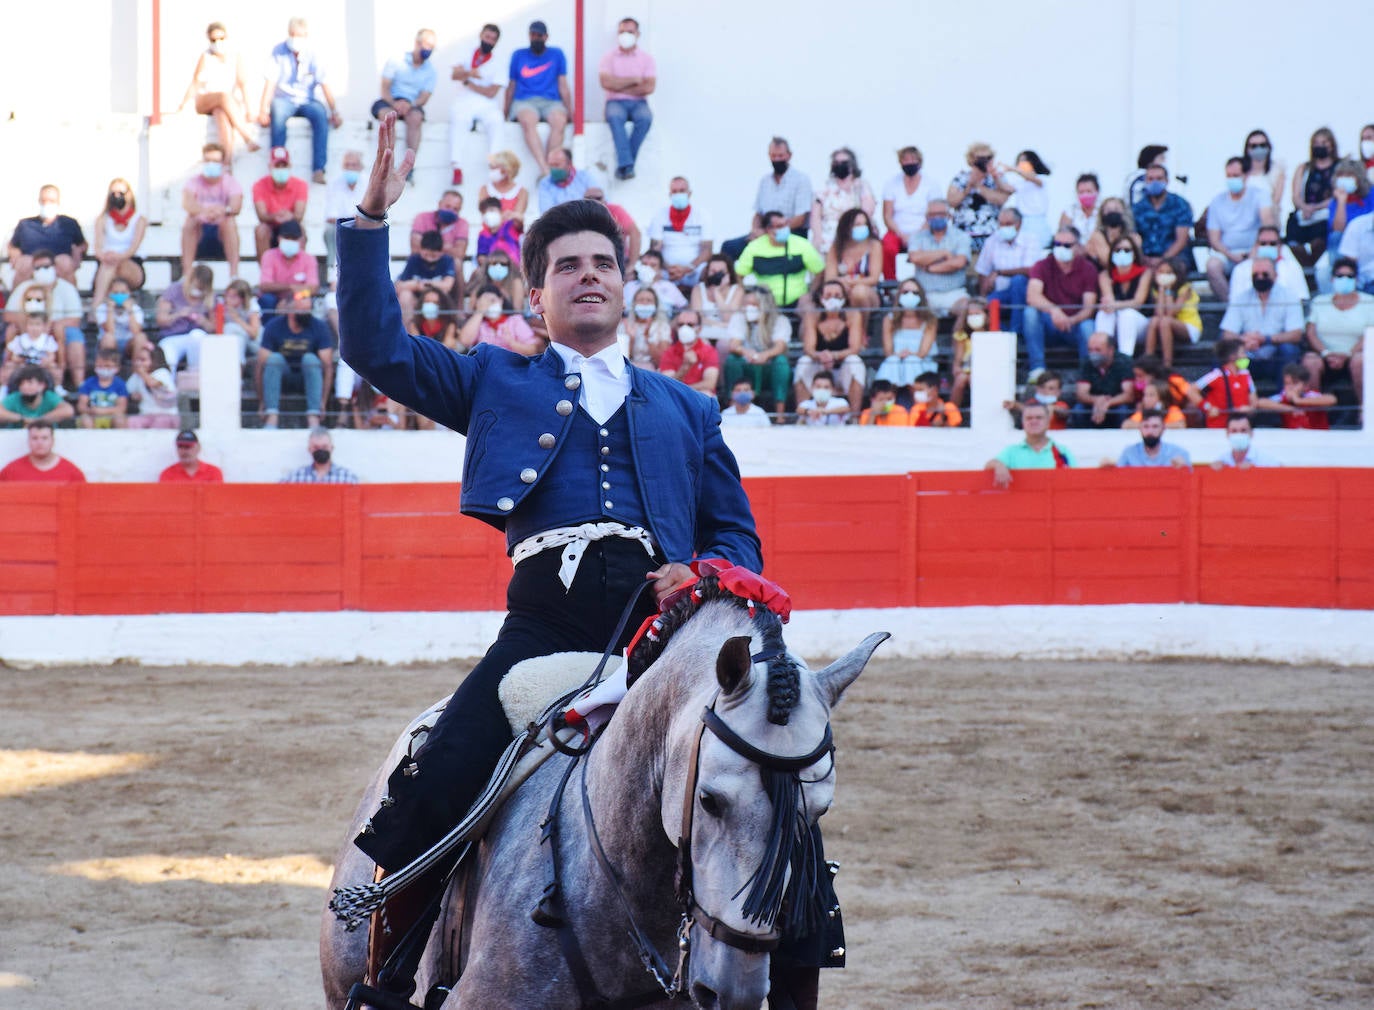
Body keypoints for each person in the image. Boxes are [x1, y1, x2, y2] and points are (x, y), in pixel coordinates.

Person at [337, 117, 766, 999]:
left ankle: (786, 968)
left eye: (603, 263)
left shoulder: (688, 409)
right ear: (538, 297)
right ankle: (386, 983)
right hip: (540, 629)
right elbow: (376, 350)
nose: (589, 275)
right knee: (438, 778)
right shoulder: (497, 380)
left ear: (627, 284)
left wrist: (702, 575)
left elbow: (738, 542)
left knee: (769, 779)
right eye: (568, 266)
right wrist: (371, 221)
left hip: (661, 638)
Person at [258, 17, 342, 183]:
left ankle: (319, 169)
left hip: (307, 100)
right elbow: (270, 82)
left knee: (320, 115)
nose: (296, 38)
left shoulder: (313, 54)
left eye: (299, 35)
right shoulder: (278, 51)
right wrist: (263, 110)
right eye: (293, 34)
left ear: (306, 35)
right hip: (284, 99)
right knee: (278, 115)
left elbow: (324, 84)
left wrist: (335, 111)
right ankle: (277, 164)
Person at [176, 20, 258, 162]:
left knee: (222, 118)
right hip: (206, 100)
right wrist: (182, 105)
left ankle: (226, 162)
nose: (218, 43)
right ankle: (246, 136)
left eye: (221, 38)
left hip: (226, 104)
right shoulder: (206, 57)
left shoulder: (235, 56)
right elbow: (196, 82)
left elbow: (242, 83)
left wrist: (249, 110)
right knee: (223, 96)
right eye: (213, 40)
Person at [1023, 226, 1099, 380]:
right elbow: (1032, 296)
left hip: (1075, 325)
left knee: (1088, 326)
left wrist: (1071, 320)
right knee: (1030, 313)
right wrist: (1055, 311)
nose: (1061, 248)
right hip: (1050, 323)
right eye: (1057, 244)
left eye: (1067, 245)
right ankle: (1037, 369)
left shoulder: (1088, 268)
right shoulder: (1042, 265)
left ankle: (1087, 374)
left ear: (1078, 247)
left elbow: (1089, 308)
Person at [720, 137, 814, 260]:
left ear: (789, 155)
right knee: (729, 247)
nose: (777, 159)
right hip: (765, 233)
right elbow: (758, 214)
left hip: (791, 233)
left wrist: (770, 232)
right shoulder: (765, 181)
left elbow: (800, 219)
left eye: (780, 156)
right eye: (773, 156)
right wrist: (755, 231)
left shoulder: (801, 180)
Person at [1219, 257, 1305, 385]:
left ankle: (1285, 395)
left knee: (1289, 350)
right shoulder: (1241, 298)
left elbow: (1296, 334)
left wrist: (1266, 340)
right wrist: (1243, 340)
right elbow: (1227, 333)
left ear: (1275, 276)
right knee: (1224, 348)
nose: (1260, 278)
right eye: (1255, 275)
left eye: (1265, 274)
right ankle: (1226, 394)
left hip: (1276, 360)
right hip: (1247, 359)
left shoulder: (1290, 297)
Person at [7, 250, 85, 389]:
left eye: (46, 266)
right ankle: (7, 382)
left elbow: (76, 318)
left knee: (74, 336)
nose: (42, 271)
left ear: (55, 267)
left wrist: (51, 325)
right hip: (28, 329)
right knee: (11, 330)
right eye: (37, 268)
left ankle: (78, 385)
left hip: (57, 330)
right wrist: (28, 324)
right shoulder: (24, 288)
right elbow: (8, 315)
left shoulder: (67, 288)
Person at [256, 290, 334, 429]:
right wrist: (262, 401)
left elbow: (328, 366)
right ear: (290, 309)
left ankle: (313, 416)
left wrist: (323, 401)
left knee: (311, 359)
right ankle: (272, 416)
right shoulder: (274, 326)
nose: (306, 313)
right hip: (282, 378)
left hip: (308, 378)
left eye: (308, 310)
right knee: (274, 359)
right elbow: (260, 365)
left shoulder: (319, 327)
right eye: (302, 310)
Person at [505, 20, 571, 177]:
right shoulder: (518, 55)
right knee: (528, 121)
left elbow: (563, 85)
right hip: (525, 101)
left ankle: (550, 164)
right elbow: (511, 85)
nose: (535, 38)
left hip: (551, 101)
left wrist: (571, 113)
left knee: (559, 121)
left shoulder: (557, 54)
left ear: (546, 37)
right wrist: (504, 113)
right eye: (533, 35)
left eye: (539, 35)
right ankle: (545, 169)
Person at [1205, 157, 1275, 303]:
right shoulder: (1217, 201)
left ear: (1246, 175)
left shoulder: (1260, 195)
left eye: (1236, 176)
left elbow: (1267, 226)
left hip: (1255, 251)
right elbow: (1214, 239)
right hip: (1227, 253)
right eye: (1229, 176)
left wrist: (1254, 251)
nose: (1232, 180)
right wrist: (1231, 255)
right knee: (1212, 266)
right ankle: (1232, 306)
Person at [449, 24, 507, 186]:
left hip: (487, 104)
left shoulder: (498, 62)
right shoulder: (466, 51)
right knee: (459, 120)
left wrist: (468, 82)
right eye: (487, 37)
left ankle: (495, 165)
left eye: (493, 39)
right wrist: (470, 74)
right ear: (481, 35)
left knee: (497, 120)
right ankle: (456, 167)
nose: (489, 41)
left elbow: (491, 92)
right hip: (464, 100)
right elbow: (454, 75)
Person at [1305, 256, 1369, 400]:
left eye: (1349, 276)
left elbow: (1370, 334)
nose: (1344, 279)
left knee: (1361, 361)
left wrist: (1348, 354)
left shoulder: (1369, 302)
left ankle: (1365, 409)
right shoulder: (1319, 302)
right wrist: (1326, 353)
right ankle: (1313, 410)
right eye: (1340, 276)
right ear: (1332, 279)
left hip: (1355, 355)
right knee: (1310, 361)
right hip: (1325, 356)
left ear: (1356, 280)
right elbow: (1311, 332)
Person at [599, 17, 655, 180]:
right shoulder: (608, 57)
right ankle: (627, 166)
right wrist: (634, 81)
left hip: (639, 102)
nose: (625, 35)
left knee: (645, 119)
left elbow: (649, 87)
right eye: (622, 32)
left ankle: (625, 164)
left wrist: (618, 84)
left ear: (637, 34)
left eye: (629, 32)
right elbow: (606, 83)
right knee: (615, 118)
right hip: (615, 101)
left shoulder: (647, 59)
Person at [794, 279, 865, 407]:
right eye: (828, 295)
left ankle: (855, 414)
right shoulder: (812, 316)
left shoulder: (853, 315)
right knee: (803, 362)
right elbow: (809, 348)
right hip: (819, 365)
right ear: (821, 299)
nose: (833, 299)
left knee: (855, 362)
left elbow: (855, 348)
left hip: (842, 367)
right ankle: (803, 411)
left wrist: (834, 356)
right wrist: (821, 356)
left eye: (837, 296)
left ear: (844, 298)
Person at [735, 210, 825, 310]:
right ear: (769, 229)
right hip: (765, 302)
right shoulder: (754, 248)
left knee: (809, 307)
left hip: (798, 302)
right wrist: (745, 293)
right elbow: (739, 275)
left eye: (786, 224)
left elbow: (819, 271)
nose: (785, 229)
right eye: (780, 226)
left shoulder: (802, 245)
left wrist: (811, 293)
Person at [723, 287, 792, 417]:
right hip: (747, 365)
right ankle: (732, 408)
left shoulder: (780, 320)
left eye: (754, 304)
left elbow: (780, 346)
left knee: (781, 362)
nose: (749, 308)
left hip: (768, 367)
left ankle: (780, 415)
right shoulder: (739, 318)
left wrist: (764, 355)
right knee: (732, 360)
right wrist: (746, 352)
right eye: (746, 304)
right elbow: (734, 345)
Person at [371, 29, 438, 163]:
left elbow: (424, 97)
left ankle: (409, 164)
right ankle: (388, 162)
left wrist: (409, 105)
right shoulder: (396, 60)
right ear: (417, 43)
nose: (429, 49)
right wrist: (394, 104)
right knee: (387, 117)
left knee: (416, 118)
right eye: (427, 44)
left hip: (412, 104)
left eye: (432, 47)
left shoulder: (431, 71)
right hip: (390, 101)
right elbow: (385, 88)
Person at [181, 143, 243, 279]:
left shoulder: (230, 182)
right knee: (190, 222)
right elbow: (187, 203)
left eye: (215, 161)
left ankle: (234, 274)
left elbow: (236, 206)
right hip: (200, 231)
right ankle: (187, 274)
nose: (211, 164)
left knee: (230, 222)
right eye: (208, 160)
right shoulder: (194, 181)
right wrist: (205, 211)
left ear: (222, 163)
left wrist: (223, 210)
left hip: (221, 232)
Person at [880, 145, 942, 279]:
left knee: (932, 247)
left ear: (919, 161)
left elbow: (935, 213)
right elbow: (887, 216)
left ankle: (927, 281)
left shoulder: (931, 184)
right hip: (897, 231)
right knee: (886, 248)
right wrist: (901, 235)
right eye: (905, 160)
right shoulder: (891, 183)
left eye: (913, 159)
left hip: (925, 230)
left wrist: (917, 236)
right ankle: (890, 284)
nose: (909, 163)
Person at [974, 207, 1036, 334]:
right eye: (1001, 224)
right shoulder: (992, 241)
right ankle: (1003, 333)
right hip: (1001, 293)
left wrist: (999, 272)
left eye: (1008, 224)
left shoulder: (1031, 240)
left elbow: (1031, 270)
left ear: (1019, 224)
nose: (1003, 228)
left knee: (1018, 281)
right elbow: (983, 271)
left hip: (1025, 294)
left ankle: (1015, 331)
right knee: (983, 305)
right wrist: (983, 296)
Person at [8, 185, 86, 285]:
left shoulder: (69, 223)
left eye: (51, 201)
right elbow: (12, 245)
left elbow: (82, 244)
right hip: (32, 264)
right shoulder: (25, 224)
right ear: (39, 201)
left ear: (58, 202)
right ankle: (19, 295)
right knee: (24, 263)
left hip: (58, 265)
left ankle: (69, 294)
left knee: (65, 262)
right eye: (44, 200)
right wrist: (14, 253)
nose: (47, 204)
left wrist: (77, 252)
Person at [984, 401, 1074, 487]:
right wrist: (998, 466)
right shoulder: (1012, 451)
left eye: (1039, 417)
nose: (1034, 421)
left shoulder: (1062, 451)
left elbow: (1075, 478)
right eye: (1029, 418)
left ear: (1048, 422)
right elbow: (989, 465)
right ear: (1023, 423)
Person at [907, 199, 972, 316]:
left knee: (968, 309)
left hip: (955, 293)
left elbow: (959, 263)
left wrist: (929, 268)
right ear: (927, 217)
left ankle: (958, 329)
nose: (937, 217)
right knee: (909, 309)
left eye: (941, 214)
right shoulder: (917, 237)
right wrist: (944, 253)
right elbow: (915, 258)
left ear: (949, 216)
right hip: (925, 295)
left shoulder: (961, 236)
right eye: (933, 214)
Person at [90, 177, 147, 310]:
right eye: (113, 193)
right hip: (107, 263)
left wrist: (117, 257)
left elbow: (133, 248)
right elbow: (98, 246)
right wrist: (105, 256)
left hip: (131, 265)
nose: (117, 197)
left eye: (121, 193)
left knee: (113, 264)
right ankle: (101, 307)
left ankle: (96, 305)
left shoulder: (139, 220)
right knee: (109, 266)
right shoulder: (102, 219)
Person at [1287, 127, 1339, 267]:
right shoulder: (1304, 168)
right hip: (1305, 214)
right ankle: (1307, 268)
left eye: (1324, 142)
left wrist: (1316, 207)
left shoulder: (1339, 167)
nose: (1319, 146)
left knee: (1320, 240)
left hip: (1326, 214)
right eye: (1316, 143)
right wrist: (1304, 207)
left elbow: (1337, 195)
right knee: (1292, 239)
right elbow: (1295, 195)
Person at [1095, 234, 1153, 358]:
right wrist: (1111, 304)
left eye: (1127, 250)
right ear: (1112, 253)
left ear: (1134, 253)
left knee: (1127, 314)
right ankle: (1102, 357)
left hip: (1140, 323)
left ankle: (1125, 359)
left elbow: (1138, 303)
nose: (1122, 253)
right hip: (1116, 323)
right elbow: (1108, 303)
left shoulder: (1145, 273)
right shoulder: (1105, 275)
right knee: (1103, 314)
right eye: (1118, 250)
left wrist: (1114, 305)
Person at [647, 177, 711, 289]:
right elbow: (655, 250)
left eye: (682, 191)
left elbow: (707, 250)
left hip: (695, 270)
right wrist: (670, 269)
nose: (678, 194)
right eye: (675, 191)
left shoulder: (702, 215)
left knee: (710, 273)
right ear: (670, 194)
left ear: (689, 193)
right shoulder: (659, 216)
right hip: (666, 270)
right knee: (649, 273)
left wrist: (688, 268)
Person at [810, 147, 876, 255]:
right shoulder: (824, 186)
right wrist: (818, 236)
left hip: (854, 232)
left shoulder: (861, 186)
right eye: (836, 163)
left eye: (844, 162)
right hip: (828, 235)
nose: (840, 165)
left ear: (852, 164)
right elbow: (815, 215)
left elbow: (867, 212)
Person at [948, 142, 1010, 254]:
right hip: (964, 235)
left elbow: (1002, 200)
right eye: (981, 158)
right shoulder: (961, 178)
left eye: (988, 158)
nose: (984, 161)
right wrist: (968, 188)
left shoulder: (997, 178)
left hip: (990, 234)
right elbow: (951, 202)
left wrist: (979, 187)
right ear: (972, 159)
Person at [1131, 164, 1193, 276]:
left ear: (1167, 181)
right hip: (1145, 259)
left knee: (1170, 270)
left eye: (1159, 178)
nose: (1154, 182)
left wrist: (1163, 260)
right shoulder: (1137, 208)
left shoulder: (1180, 204)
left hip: (1174, 257)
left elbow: (1181, 240)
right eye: (1150, 179)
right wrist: (1144, 259)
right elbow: (1133, 237)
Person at [876, 279, 938, 391]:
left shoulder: (930, 320)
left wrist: (909, 354)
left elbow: (923, 353)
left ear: (921, 296)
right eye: (905, 292)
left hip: (921, 363)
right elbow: (888, 351)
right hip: (897, 360)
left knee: (911, 361)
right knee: (893, 361)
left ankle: (915, 397)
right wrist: (900, 355)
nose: (910, 295)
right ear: (899, 295)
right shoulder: (889, 319)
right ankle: (888, 396)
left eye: (915, 293)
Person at [1141, 258, 1201, 368]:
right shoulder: (1156, 290)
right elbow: (1159, 313)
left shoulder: (1185, 289)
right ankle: (1148, 361)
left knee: (1165, 321)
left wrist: (1168, 289)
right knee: (1154, 320)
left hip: (1188, 327)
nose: (1164, 276)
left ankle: (1167, 365)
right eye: (1161, 272)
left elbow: (1170, 312)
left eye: (1168, 273)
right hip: (1166, 324)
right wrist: (1161, 289)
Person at [1228, 225, 1309, 304]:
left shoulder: (1292, 267)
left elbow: (1301, 299)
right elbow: (1235, 303)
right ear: (1256, 246)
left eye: (1272, 244)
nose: (1267, 247)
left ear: (1280, 247)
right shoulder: (1241, 270)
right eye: (1263, 244)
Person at [253, 147, 310, 258]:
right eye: (277, 166)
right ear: (270, 167)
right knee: (261, 230)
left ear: (289, 166)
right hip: (270, 226)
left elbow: (299, 216)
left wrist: (289, 217)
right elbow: (261, 215)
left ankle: (299, 267)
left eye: (283, 166)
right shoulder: (259, 185)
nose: (280, 169)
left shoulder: (300, 185)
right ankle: (266, 267)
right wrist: (275, 217)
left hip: (291, 224)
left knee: (301, 231)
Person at [823, 208, 883, 311]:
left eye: (865, 224)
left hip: (868, 291)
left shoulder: (874, 245)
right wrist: (842, 283)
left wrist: (851, 282)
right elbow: (829, 278)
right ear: (847, 227)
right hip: (841, 290)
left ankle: (862, 321)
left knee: (858, 292)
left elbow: (874, 279)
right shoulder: (836, 247)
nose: (862, 227)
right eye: (858, 224)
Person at [395, 230, 457, 326]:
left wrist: (427, 285)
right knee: (405, 295)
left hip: (438, 300)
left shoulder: (447, 261)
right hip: (417, 300)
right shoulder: (414, 260)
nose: (429, 259)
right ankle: (407, 330)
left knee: (442, 294)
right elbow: (400, 286)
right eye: (426, 254)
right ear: (420, 249)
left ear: (441, 252)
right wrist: (417, 285)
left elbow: (448, 285)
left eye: (433, 256)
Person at [1073, 332, 1134, 429]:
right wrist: (1097, 400)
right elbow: (1081, 394)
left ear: (1110, 350)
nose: (1093, 354)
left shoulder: (1124, 362)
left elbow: (1129, 395)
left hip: (1116, 403)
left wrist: (1107, 403)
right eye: (1090, 350)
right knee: (1078, 409)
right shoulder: (1086, 362)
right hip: (1093, 404)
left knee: (1122, 410)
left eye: (1098, 350)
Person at [258, 220, 319, 313]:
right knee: (267, 299)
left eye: (294, 238)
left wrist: (295, 297)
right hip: (275, 298)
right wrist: (290, 287)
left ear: (300, 240)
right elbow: (265, 285)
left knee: (306, 301)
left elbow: (313, 288)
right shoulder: (269, 255)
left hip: (298, 297)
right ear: (279, 238)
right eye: (286, 237)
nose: (290, 241)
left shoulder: (309, 259)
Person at [459, 286, 542, 355]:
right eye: (484, 303)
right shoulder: (479, 324)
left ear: (501, 300)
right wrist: (480, 312)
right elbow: (465, 341)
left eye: (492, 301)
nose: (488, 305)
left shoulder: (515, 321)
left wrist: (512, 342)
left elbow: (532, 350)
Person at [1194, 338, 1256, 428]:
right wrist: (1207, 407)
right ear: (1232, 356)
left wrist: (1250, 408)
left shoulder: (1246, 374)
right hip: (1217, 428)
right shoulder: (1216, 375)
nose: (1246, 356)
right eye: (1243, 353)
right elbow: (1191, 390)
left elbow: (1253, 399)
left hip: (1241, 427)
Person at [1254, 362, 1336, 430]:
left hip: (1318, 437)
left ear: (1305, 386)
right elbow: (1260, 402)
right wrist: (1291, 409)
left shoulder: (1311, 395)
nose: (1290, 387)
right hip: (1292, 438)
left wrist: (1298, 401)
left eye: (1295, 383)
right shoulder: (1283, 396)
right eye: (1287, 383)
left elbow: (1332, 399)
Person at [658, 310, 720, 396]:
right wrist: (685, 367)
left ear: (699, 329)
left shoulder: (709, 351)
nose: (685, 328)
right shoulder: (669, 353)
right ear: (676, 328)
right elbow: (668, 384)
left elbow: (710, 383)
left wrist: (685, 391)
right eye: (681, 325)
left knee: (706, 394)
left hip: (698, 396)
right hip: (676, 396)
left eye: (690, 325)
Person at [1001, 150, 1053, 251]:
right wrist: (995, 176)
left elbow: (1034, 179)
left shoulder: (1042, 178)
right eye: (1020, 161)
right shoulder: (1020, 183)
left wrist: (1013, 169)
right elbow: (1006, 188)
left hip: (1037, 223)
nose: (1022, 164)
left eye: (1025, 160)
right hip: (1022, 222)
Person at [0, 420, 84, 481]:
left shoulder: (72, 474)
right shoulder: (10, 472)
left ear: (52, 440)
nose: (39, 443)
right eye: (34, 438)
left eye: (44, 438)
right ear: (28, 441)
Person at [324, 150, 364, 276]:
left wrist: (353, 219)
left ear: (360, 167)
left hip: (363, 227)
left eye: (354, 165)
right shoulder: (334, 184)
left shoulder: (368, 184)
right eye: (347, 165)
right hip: (342, 227)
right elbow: (330, 217)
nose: (350, 168)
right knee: (330, 230)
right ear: (342, 166)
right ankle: (333, 274)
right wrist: (353, 219)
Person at [3, 310, 62, 392]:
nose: (34, 328)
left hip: (41, 365)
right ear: (26, 326)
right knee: (9, 366)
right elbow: (14, 356)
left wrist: (46, 361)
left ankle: (58, 387)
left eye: (37, 324)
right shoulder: (20, 339)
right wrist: (19, 360)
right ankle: (4, 388)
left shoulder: (47, 340)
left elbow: (52, 356)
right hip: (23, 365)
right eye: (31, 324)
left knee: (54, 367)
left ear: (44, 326)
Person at [583, 187, 641, 271]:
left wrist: (631, 265)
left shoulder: (615, 210)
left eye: (598, 198)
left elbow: (635, 233)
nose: (594, 201)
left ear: (605, 200)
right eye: (589, 199)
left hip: (617, 260)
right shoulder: (579, 215)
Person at [691, 254, 742, 345]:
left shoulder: (737, 290)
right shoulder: (698, 289)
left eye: (721, 272)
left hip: (727, 333)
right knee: (702, 343)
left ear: (729, 273)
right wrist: (720, 325)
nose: (717, 275)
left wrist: (717, 292)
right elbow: (697, 319)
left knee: (724, 344)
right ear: (707, 272)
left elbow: (728, 318)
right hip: (703, 331)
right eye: (713, 271)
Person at [125, 345, 181, 429]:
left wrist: (142, 373)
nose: (138, 363)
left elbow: (152, 383)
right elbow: (128, 390)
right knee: (132, 421)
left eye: (143, 360)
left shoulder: (162, 372)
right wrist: (134, 396)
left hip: (167, 415)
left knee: (160, 422)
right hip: (146, 414)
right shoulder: (136, 376)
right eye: (137, 360)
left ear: (154, 360)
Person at [949, 298, 990, 409]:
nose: (973, 317)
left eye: (977, 314)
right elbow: (959, 357)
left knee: (974, 379)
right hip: (967, 367)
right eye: (970, 315)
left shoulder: (993, 334)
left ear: (986, 315)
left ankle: (981, 410)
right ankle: (952, 412)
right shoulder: (962, 335)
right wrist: (957, 367)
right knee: (960, 379)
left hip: (985, 368)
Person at [1113, 408, 1190, 468]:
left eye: (1155, 426)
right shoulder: (1129, 453)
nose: (1150, 431)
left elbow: (1190, 480)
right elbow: (1118, 478)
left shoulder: (1178, 453)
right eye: (1146, 426)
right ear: (1140, 428)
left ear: (1163, 429)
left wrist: (1183, 468)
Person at [0, 367, 75, 427]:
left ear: (42, 385)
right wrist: (22, 419)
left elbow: (68, 410)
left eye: (29, 383)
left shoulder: (49, 396)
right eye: (21, 384)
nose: (24, 387)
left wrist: (39, 421)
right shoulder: (15, 397)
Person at [281, 426, 357, 483]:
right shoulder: (295, 477)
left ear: (332, 448)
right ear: (309, 449)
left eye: (324, 447)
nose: (320, 450)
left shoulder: (347, 478)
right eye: (316, 447)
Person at [76, 349, 129, 429]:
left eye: (107, 366)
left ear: (117, 368)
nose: (104, 369)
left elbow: (122, 408)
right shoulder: (88, 383)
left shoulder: (120, 384)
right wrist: (91, 411)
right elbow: (81, 406)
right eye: (100, 366)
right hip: (93, 417)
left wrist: (103, 411)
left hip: (112, 417)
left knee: (120, 420)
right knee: (85, 420)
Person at [95, 278, 147, 358]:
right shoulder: (102, 309)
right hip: (109, 343)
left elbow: (136, 331)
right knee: (108, 338)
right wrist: (110, 309)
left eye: (123, 292)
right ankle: (109, 364)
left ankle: (138, 364)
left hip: (129, 344)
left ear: (129, 293)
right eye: (115, 292)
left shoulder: (136, 309)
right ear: (108, 293)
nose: (119, 295)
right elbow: (110, 331)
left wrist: (130, 310)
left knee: (141, 337)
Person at [1084, 196, 1139, 269]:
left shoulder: (1134, 236)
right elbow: (1107, 261)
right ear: (1102, 213)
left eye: (1116, 209)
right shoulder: (1097, 236)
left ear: (1123, 212)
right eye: (1108, 210)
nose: (1112, 212)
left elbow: (1137, 259)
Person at [538, 148, 598, 212]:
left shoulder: (585, 177)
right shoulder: (545, 183)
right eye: (551, 165)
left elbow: (598, 202)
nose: (553, 169)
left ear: (569, 164)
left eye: (556, 165)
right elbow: (546, 212)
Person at [478, 150, 529, 226]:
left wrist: (499, 216)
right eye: (491, 167)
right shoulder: (484, 189)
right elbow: (485, 215)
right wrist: (509, 215)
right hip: (489, 232)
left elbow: (517, 221)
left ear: (507, 170)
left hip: (511, 232)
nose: (492, 170)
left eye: (495, 168)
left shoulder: (521, 191)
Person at [1212, 413, 1278, 468]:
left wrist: (1256, 471)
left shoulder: (1267, 462)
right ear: (1227, 434)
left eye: (1243, 430)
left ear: (1251, 433)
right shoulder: (1221, 461)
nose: (1239, 434)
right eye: (1234, 431)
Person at [1241, 128, 1285, 208]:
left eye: (1262, 145)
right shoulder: (1240, 171)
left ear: (1268, 147)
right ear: (1247, 149)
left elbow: (1276, 202)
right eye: (1254, 146)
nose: (1258, 149)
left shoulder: (1276, 171)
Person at [159, 429, 224, 482]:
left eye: (188, 447)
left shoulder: (213, 473)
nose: (184, 451)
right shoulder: (168, 474)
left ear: (198, 447)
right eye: (180, 446)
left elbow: (217, 494)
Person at [1059, 173, 1100, 244]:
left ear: (1097, 192)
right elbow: (1062, 236)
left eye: (1089, 191)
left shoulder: (1103, 212)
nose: (1085, 195)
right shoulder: (1069, 212)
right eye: (1081, 192)